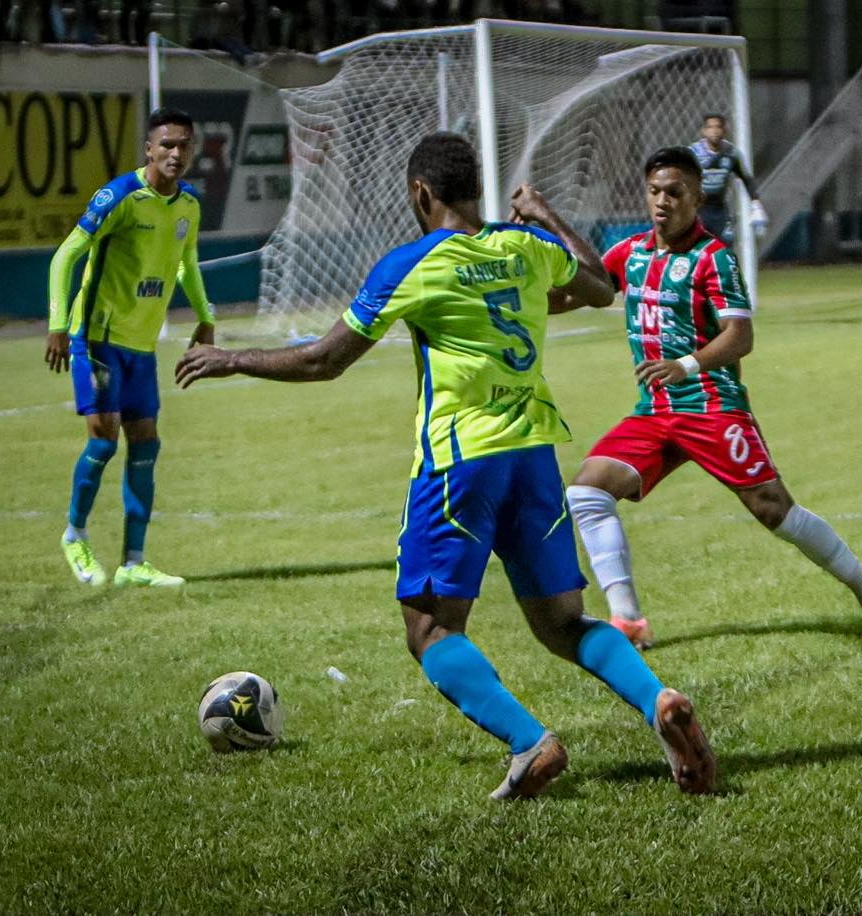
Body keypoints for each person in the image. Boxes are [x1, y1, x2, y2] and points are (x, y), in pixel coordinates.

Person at [175, 132, 716, 799]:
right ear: (476, 191)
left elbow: (324, 359)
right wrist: (544, 216)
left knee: (429, 628)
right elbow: (602, 287)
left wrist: (232, 359)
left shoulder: (413, 262)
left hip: (460, 465)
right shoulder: (525, 248)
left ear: (420, 193)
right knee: (561, 622)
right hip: (534, 458)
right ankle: (655, 699)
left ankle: (530, 743)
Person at [563, 146, 862, 649]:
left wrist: (685, 365)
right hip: (657, 412)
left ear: (697, 197)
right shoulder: (630, 253)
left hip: (711, 406)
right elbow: (577, 293)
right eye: (655, 191)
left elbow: (740, 336)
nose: (662, 202)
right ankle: (627, 618)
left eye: (674, 193)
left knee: (774, 510)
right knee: (587, 493)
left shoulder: (713, 258)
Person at [45, 107, 215, 589]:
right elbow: (65, 256)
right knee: (103, 439)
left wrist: (206, 316)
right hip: (96, 336)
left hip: (140, 346)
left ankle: (132, 562)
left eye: (184, 145)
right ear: (148, 148)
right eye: (166, 144)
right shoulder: (119, 196)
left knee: (146, 444)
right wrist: (59, 323)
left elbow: (187, 264)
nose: (175, 153)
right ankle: (75, 536)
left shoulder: (188, 205)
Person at [689, 113, 767, 245]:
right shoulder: (693, 152)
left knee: (725, 248)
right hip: (697, 210)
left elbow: (746, 179)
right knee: (697, 249)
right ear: (704, 131)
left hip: (719, 210)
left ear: (724, 130)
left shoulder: (731, 153)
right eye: (710, 127)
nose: (714, 131)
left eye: (718, 127)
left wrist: (756, 205)